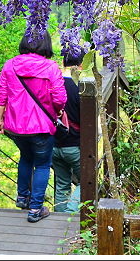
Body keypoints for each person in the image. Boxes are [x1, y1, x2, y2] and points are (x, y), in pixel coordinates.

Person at [0, 30, 66, 223]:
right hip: (42, 126)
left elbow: (2, 95)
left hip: (16, 126)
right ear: (47, 44)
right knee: (42, 164)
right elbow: (60, 98)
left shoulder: (10, 65)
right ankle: (35, 209)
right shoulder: (51, 67)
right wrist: (58, 111)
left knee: (26, 157)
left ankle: (22, 197)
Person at [52, 49, 83, 213]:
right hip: (73, 146)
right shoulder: (80, 86)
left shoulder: (53, 84)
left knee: (62, 182)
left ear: (63, 62)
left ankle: (59, 216)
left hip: (54, 145)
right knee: (87, 180)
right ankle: (69, 213)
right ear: (82, 65)